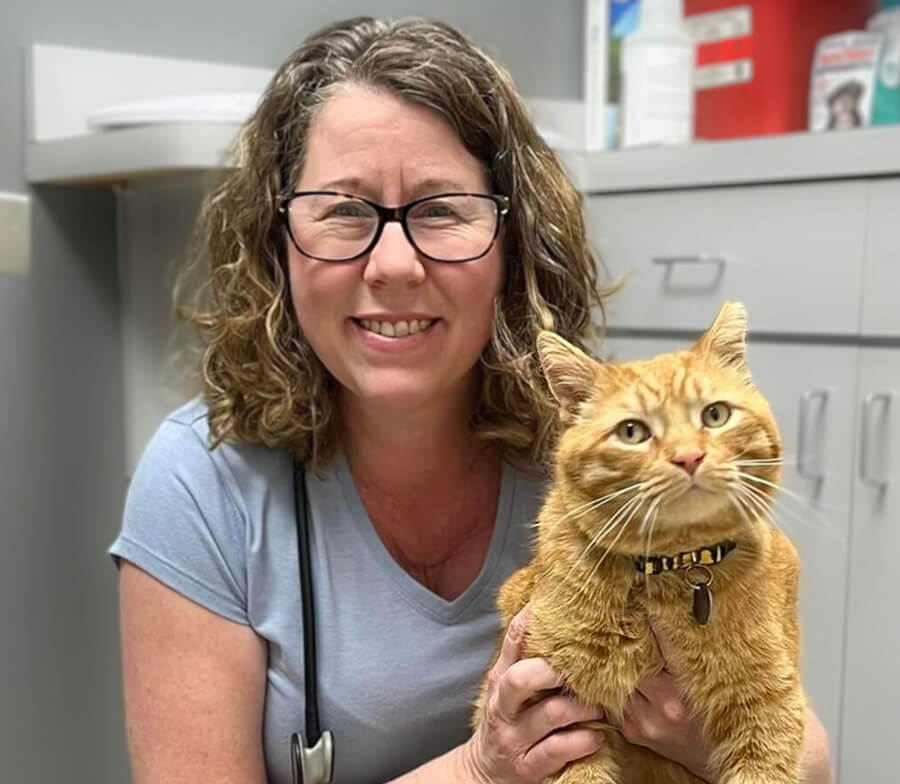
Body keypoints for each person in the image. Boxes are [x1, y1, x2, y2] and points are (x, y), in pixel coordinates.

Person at [108, 16, 834, 784]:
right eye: (344, 210)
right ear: (277, 242)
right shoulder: (202, 482)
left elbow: (806, 757)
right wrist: (481, 770)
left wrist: (699, 738)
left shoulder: (606, 445)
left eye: (441, 210)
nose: (393, 265)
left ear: (514, 245)